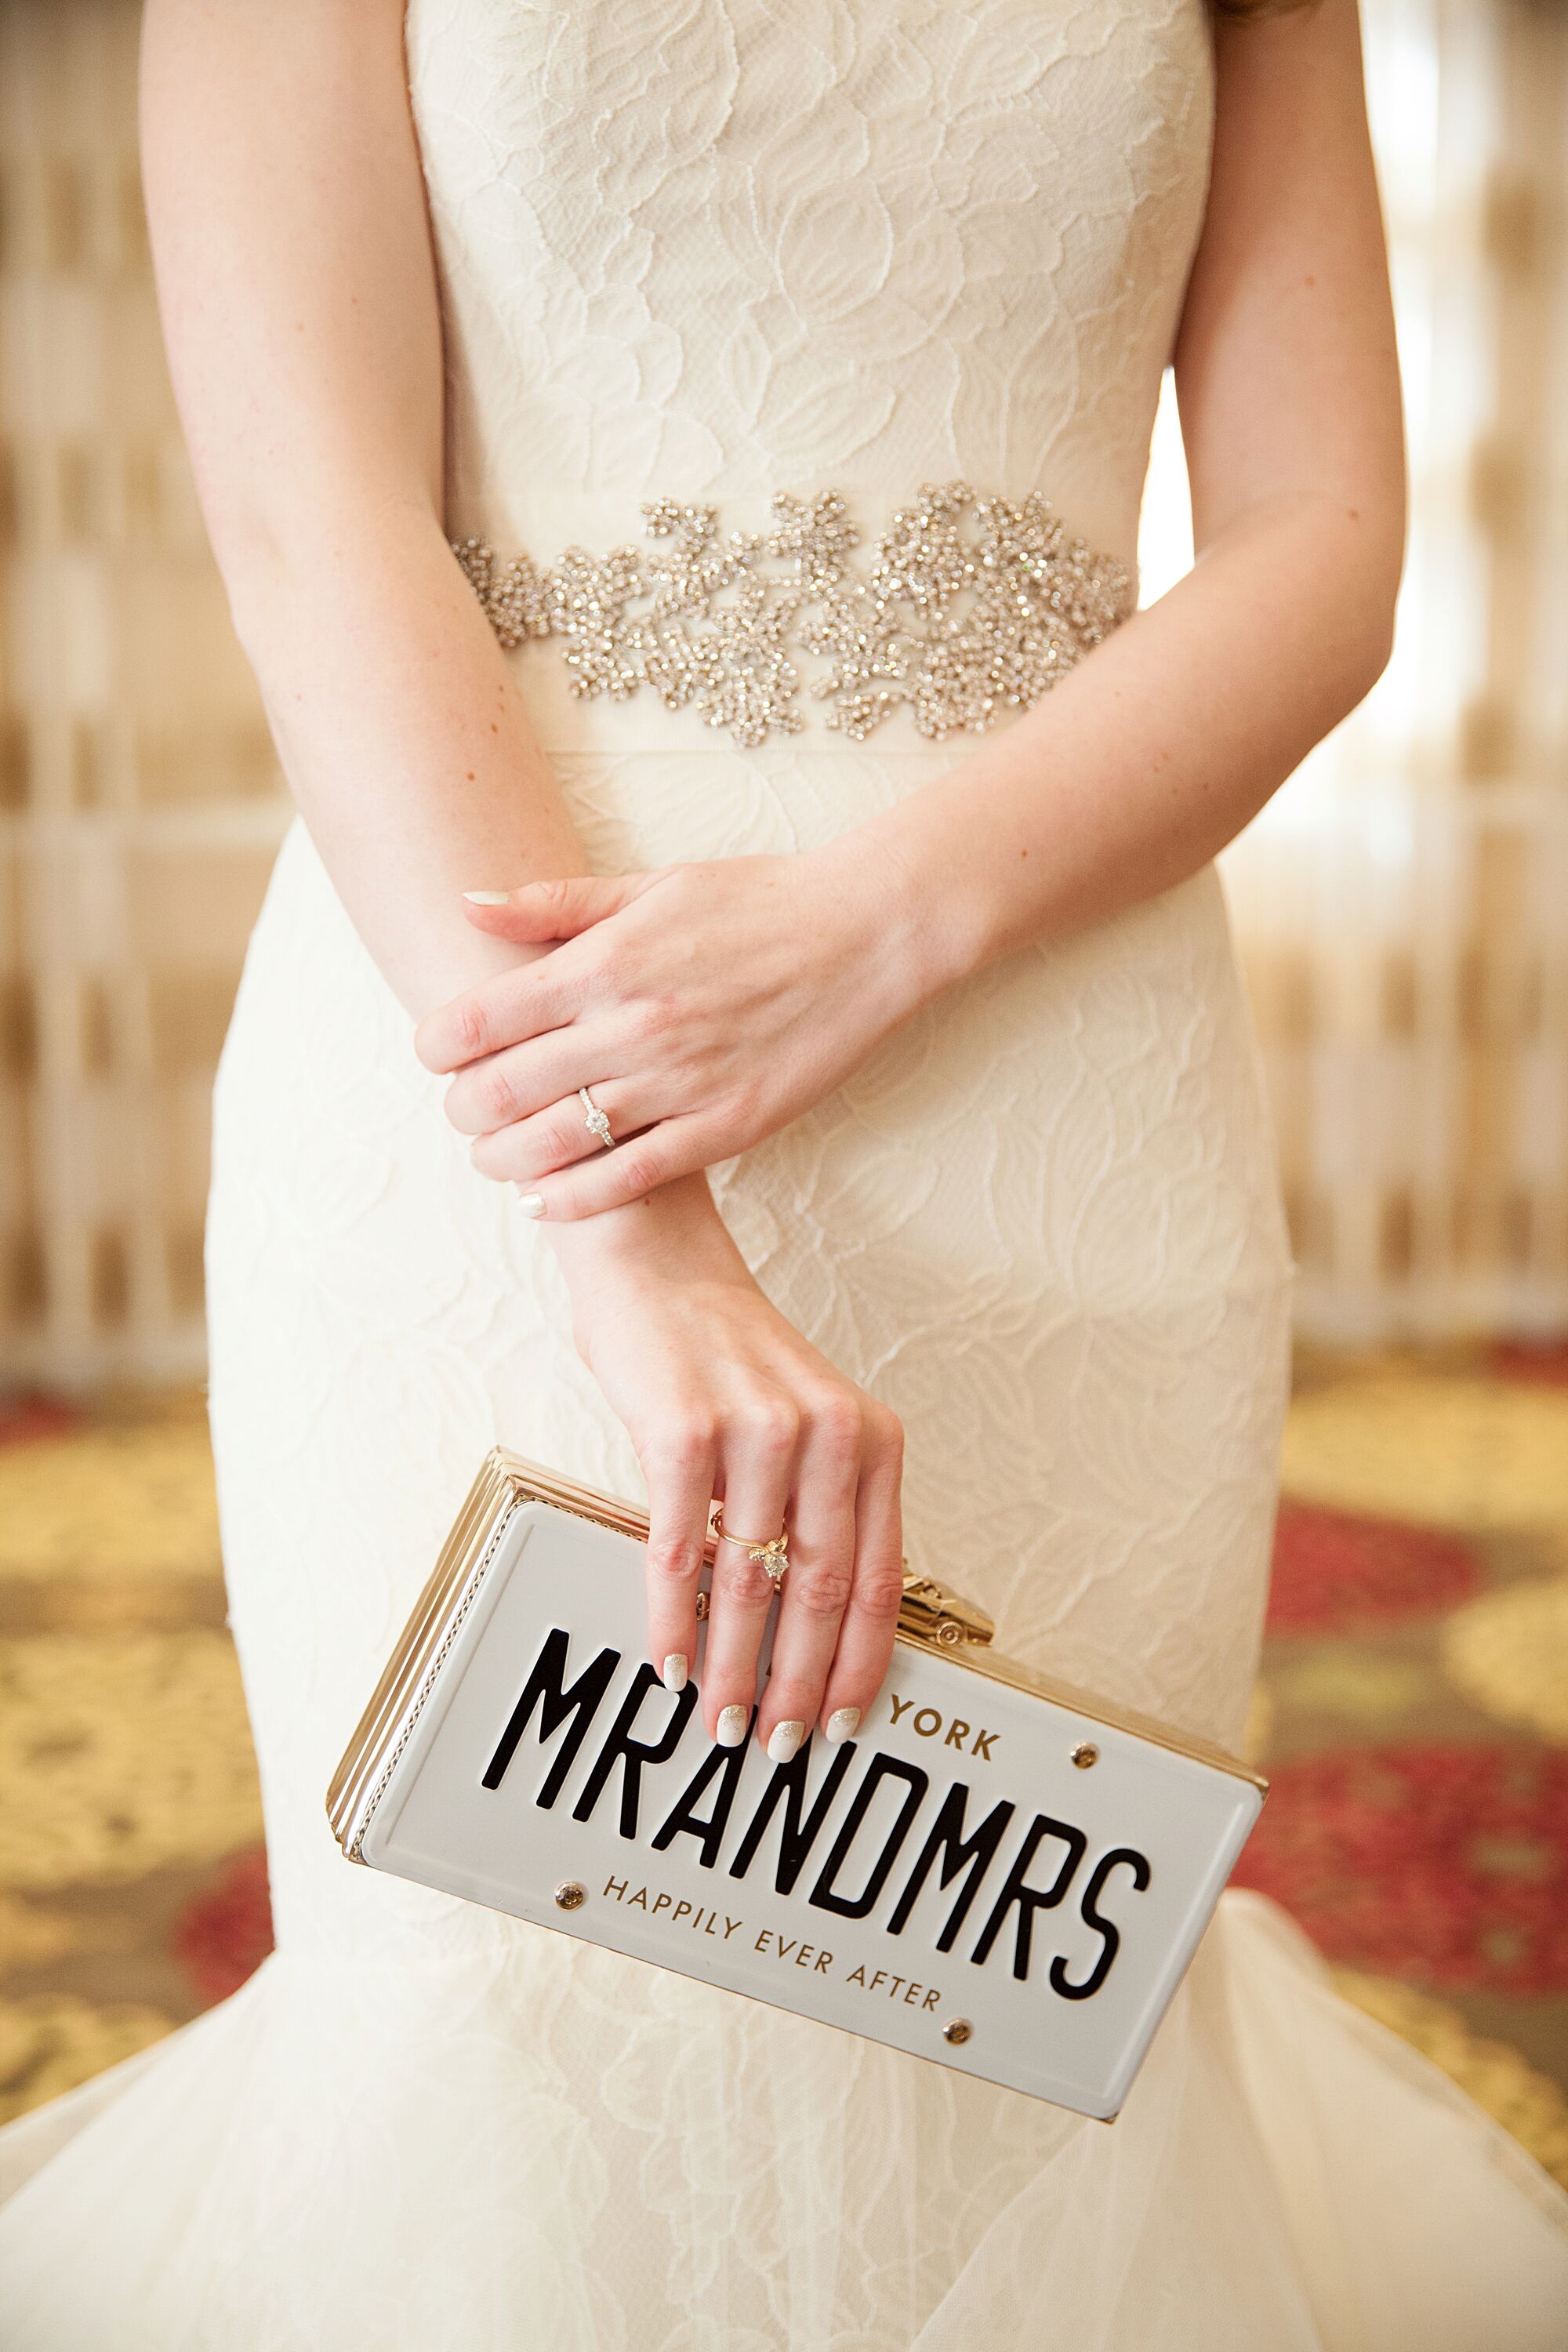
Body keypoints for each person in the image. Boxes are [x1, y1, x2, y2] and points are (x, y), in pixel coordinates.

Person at [2, 0, 1566, 2343]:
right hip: (485, 1089)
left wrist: (871, 927)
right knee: (499, 2016)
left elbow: (1327, 540)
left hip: (1064, 1088)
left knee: (1024, 2035)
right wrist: (628, 1228)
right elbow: (312, 516)